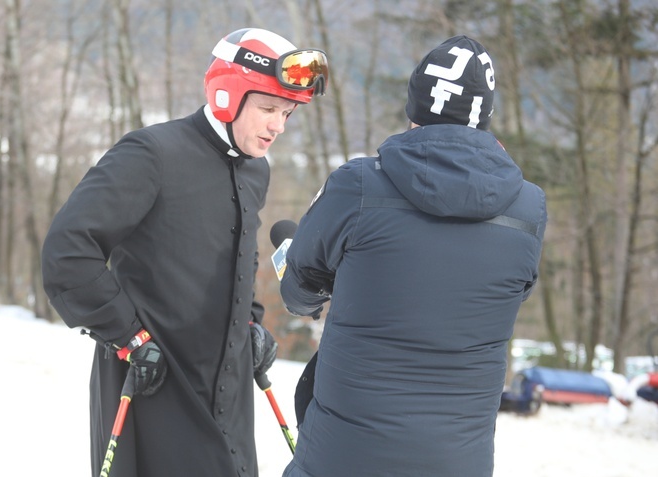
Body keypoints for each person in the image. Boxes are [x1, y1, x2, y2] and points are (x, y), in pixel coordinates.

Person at [41, 28, 328, 477]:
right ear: (227, 96)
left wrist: (250, 321)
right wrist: (128, 336)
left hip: (228, 387)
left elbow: (238, 257)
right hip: (155, 380)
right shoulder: (152, 153)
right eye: (269, 109)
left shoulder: (255, 170)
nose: (278, 125)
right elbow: (68, 250)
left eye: (287, 113)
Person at [279, 35, 546, 477]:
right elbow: (511, 294)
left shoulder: (357, 185)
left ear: (415, 107)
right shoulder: (529, 208)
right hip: (460, 462)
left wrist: (323, 287)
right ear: (485, 114)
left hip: (342, 456)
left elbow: (297, 291)